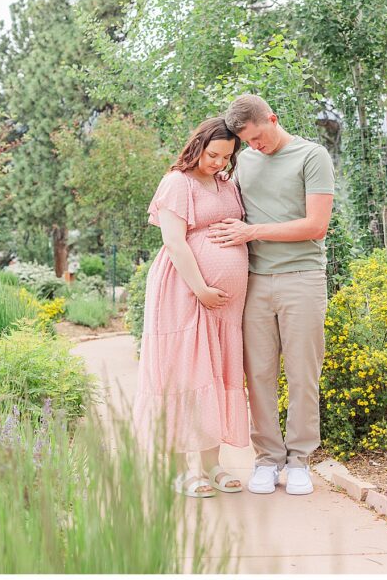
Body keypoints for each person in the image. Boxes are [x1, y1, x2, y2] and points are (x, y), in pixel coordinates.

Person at [210, 94, 334, 496]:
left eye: (259, 137)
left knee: (302, 373)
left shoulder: (312, 156)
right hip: (255, 282)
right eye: (247, 141)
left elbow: (316, 225)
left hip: (302, 278)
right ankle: (266, 460)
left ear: (273, 119)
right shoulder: (244, 161)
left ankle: (299, 461)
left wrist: (253, 231)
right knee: (258, 374)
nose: (255, 146)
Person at [134, 117, 249, 498]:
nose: (218, 162)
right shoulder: (176, 183)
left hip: (225, 307)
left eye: (226, 157)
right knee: (187, 374)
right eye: (213, 154)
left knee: (214, 373)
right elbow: (175, 242)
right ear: (198, 145)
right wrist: (201, 288)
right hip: (185, 291)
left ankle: (214, 465)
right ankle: (185, 470)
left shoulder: (224, 184)